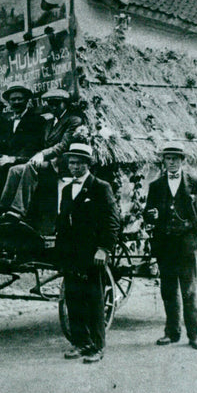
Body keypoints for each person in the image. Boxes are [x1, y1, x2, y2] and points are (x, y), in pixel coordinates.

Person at [143, 142, 197, 350]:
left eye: (175, 158)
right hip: (165, 245)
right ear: (163, 161)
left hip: (187, 244)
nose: (171, 162)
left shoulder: (194, 183)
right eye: (168, 158)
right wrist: (150, 216)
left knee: (189, 290)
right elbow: (148, 213)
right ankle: (172, 333)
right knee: (168, 289)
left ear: (182, 160)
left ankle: (195, 335)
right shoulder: (156, 186)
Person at [55, 143, 120, 364]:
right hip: (71, 254)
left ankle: (97, 346)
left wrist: (104, 249)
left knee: (94, 300)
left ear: (88, 164)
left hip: (92, 253)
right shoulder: (66, 190)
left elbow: (112, 221)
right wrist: (60, 253)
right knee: (73, 298)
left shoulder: (100, 187)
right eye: (71, 163)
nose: (74, 167)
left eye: (79, 163)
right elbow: (63, 223)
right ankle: (80, 342)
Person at [0, 88, 83, 224]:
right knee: (14, 170)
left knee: (29, 167)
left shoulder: (73, 120)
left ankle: (18, 211)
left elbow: (63, 145)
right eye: (50, 103)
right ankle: (1, 209)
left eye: (57, 103)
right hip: (44, 160)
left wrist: (42, 155)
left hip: (59, 162)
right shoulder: (49, 122)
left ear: (65, 103)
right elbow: (41, 144)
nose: (53, 107)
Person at [0, 81, 46, 221]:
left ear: (27, 100)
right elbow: (1, 146)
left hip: (29, 161)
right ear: (9, 102)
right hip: (8, 162)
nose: (16, 102)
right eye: (13, 99)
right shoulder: (8, 123)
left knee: (7, 169)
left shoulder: (37, 121)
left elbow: (33, 146)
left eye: (20, 99)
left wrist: (13, 158)